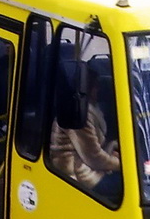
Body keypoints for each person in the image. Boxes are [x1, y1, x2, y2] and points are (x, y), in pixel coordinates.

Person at [50, 62, 121, 200]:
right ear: (86, 88)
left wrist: (113, 149)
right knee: (124, 186)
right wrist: (120, 164)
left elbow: (95, 148)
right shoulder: (79, 112)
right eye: (95, 86)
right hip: (77, 173)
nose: (98, 90)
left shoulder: (92, 108)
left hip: (89, 166)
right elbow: (93, 157)